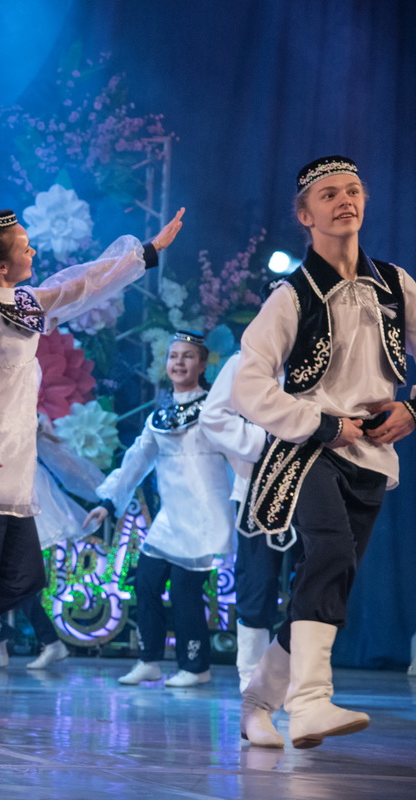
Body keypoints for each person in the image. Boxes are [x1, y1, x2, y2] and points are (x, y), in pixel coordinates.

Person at [0, 206, 184, 724]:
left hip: (13, 464)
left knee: (26, 578)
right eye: (23, 245)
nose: (32, 251)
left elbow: (81, 285)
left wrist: (145, 253)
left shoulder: (24, 303)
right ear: (0, 265)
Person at [232, 156, 416, 749]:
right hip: (307, 449)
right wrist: (317, 422)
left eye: (353, 190)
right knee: (330, 553)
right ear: (304, 215)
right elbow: (247, 385)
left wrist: (413, 410)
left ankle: (258, 701)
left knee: (330, 582)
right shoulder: (292, 296)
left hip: (371, 456)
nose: (345, 201)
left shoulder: (395, 285)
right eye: (329, 194)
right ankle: (310, 703)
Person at [85, 331, 235, 689]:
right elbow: (137, 460)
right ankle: (148, 660)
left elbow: (241, 454)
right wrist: (108, 503)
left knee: (185, 591)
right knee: (146, 583)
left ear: (202, 364)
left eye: (188, 356)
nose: (179, 362)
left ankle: (195, 666)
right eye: (173, 356)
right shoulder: (160, 416)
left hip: (205, 517)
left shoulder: (216, 411)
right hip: (171, 519)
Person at [197, 350, 299, 693]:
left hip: (316, 481)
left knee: (314, 585)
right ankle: (252, 678)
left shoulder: (327, 355)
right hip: (259, 485)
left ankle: (300, 674)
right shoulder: (247, 360)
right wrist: (264, 441)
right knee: (257, 582)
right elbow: (214, 416)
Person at [0, 415, 102, 672]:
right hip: (3, 494)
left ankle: (27, 644)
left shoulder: (21, 413)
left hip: (19, 498)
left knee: (10, 579)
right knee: (0, 578)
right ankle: (9, 645)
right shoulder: (2, 411)